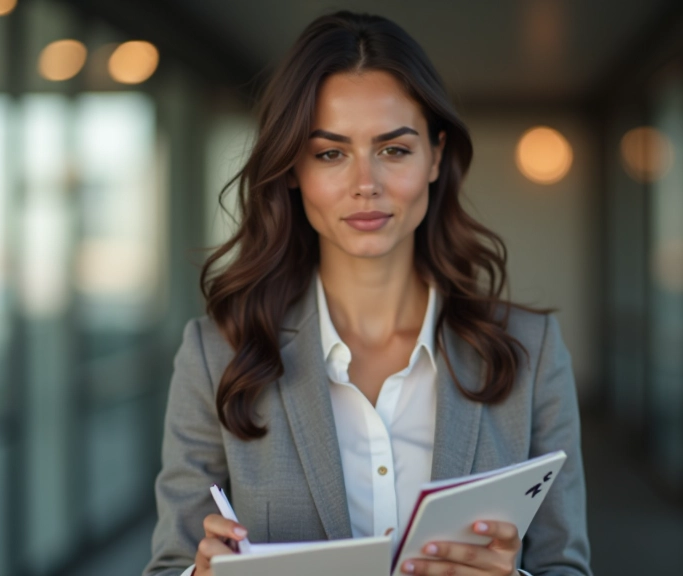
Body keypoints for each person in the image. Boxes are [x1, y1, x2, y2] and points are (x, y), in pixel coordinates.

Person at [143, 11, 591, 576]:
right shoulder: (216, 357)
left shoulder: (532, 350)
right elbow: (170, 564)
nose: (365, 184)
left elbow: (566, 565)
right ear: (291, 170)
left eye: (394, 150)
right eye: (331, 153)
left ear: (434, 156)